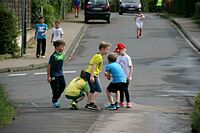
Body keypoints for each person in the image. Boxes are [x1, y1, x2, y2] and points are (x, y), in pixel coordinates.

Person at [85, 41, 111, 110]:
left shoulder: (98, 55)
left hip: (89, 73)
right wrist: (92, 76)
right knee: (98, 89)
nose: (108, 51)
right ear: (102, 49)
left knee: (92, 89)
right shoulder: (98, 57)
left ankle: (88, 104)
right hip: (91, 73)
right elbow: (94, 66)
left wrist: (96, 75)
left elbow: (96, 68)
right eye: (107, 49)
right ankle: (92, 104)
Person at [47, 40, 66, 108]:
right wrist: (48, 76)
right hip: (53, 74)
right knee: (55, 88)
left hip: (60, 73)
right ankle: (55, 100)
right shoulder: (53, 56)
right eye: (62, 46)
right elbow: (49, 66)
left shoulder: (62, 54)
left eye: (63, 47)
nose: (63, 48)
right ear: (57, 47)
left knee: (63, 85)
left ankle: (56, 97)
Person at [114, 43, 133, 108]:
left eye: (119, 51)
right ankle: (121, 101)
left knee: (125, 89)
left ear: (123, 49)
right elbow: (117, 66)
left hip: (126, 76)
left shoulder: (127, 57)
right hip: (120, 76)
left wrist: (130, 75)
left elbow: (131, 67)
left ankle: (128, 102)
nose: (118, 53)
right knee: (120, 89)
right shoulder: (118, 58)